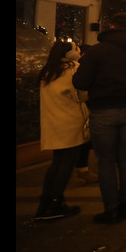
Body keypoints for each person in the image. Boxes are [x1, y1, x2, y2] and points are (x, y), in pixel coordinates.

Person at [72, 12, 126, 224]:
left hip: (103, 109)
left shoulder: (99, 51)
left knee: (106, 160)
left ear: (111, 25)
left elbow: (80, 81)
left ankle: (110, 208)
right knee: (125, 157)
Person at [35, 41, 89, 220]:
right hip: (70, 121)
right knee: (67, 163)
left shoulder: (49, 71)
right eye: (77, 50)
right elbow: (81, 94)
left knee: (57, 163)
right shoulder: (73, 69)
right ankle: (55, 204)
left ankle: (46, 203)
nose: (79, 52)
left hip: (52, 122)